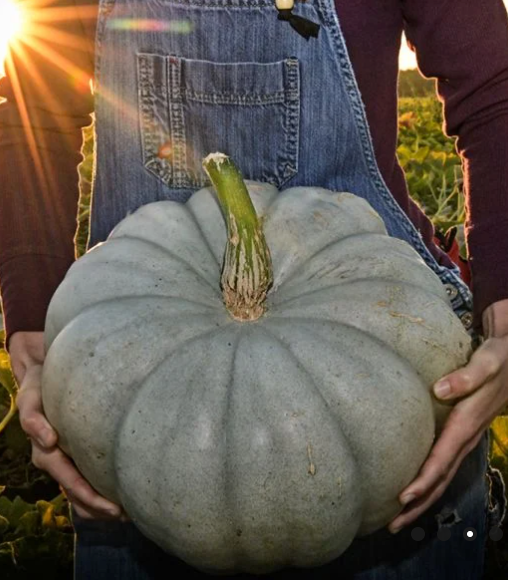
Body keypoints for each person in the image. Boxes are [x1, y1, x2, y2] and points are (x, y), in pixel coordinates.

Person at [1, 0, 508, 577]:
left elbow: (494, 89)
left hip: (388, 374)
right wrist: (36, 322)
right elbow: (33, 108)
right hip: (142, 408)